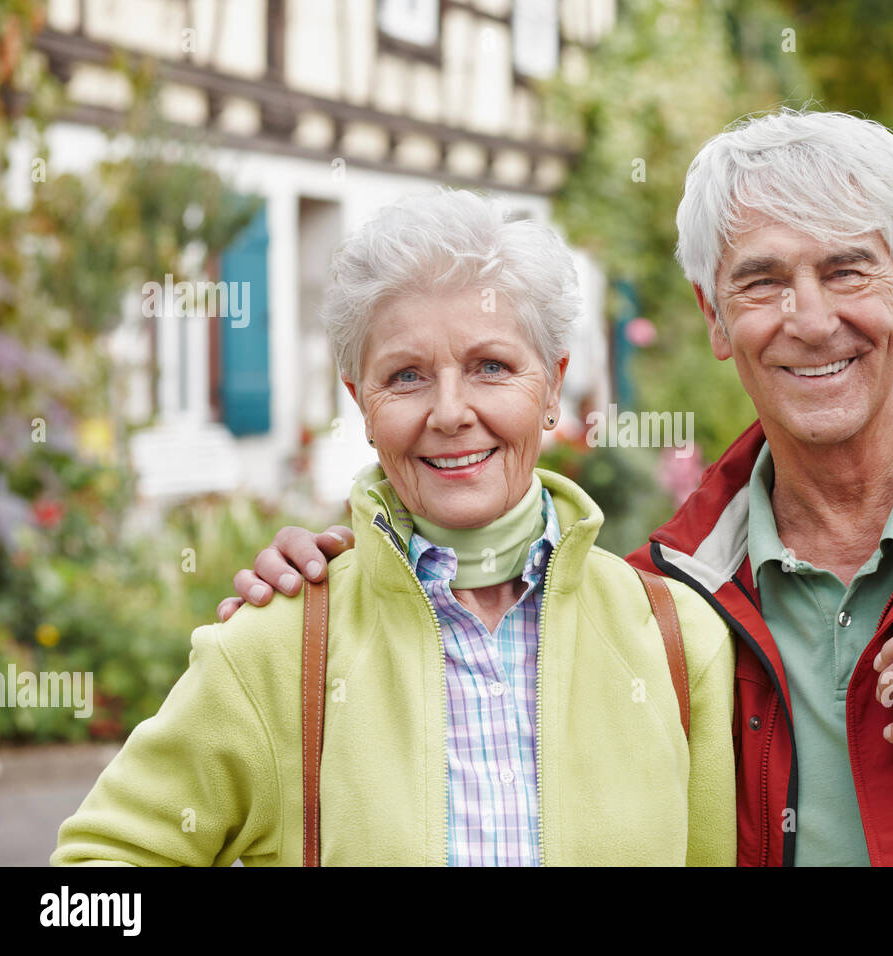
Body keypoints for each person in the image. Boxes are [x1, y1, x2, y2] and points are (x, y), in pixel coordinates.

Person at [220, 110, 893, 866]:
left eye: (848, 270)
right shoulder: (656, 608)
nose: (810, 319)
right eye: (763, 280)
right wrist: (342, 581)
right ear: (714, 317)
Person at [53, 189, 735, 867]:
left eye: (490, 367)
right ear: (362, 404)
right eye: (407, 376)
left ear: (552, 386)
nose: (450, 412)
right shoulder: (276, 646)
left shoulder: (675, 642)